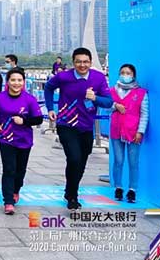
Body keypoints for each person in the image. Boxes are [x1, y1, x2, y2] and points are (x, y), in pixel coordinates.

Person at [44, 47, 113, 210]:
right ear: (73, 63)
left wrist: (95, 98)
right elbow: (48, 88)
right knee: (74, 158)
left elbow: (109, 102)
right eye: (79, 62)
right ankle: (73, 197)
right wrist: (50, 108)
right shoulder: (64, 77)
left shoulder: (98, 77)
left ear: (90, 62)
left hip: (86, 126)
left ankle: (69, 190)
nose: (82, 65)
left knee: (81, 161)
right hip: (66, 124)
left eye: (86, 62)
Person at [0, 68, 44, 215]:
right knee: (9, 169)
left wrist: (24, 121)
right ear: (7, 82)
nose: (16, 83)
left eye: (19, 80)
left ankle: (16, 190)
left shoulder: (29, 99)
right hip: (6, 139)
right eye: (13, 80)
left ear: (24, 82)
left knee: (20, 170)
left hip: (24, 140)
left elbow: (38, 119)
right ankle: (8, 201)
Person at [109, 63, 149, 204]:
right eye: (122, 73)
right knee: (118, 160)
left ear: (133, 76)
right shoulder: (112, 91)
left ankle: (132, 190)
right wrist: (115, 106)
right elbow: (106, 106)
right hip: (116, 131)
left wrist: (140, 131)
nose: (125, 75)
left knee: (133, 162)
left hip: (133, 132)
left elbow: (144, 114)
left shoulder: (141, 93)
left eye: (128, 73)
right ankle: (118, 187)